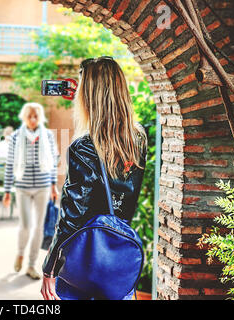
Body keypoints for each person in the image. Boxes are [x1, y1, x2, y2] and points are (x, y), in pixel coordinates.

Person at [40, 56, 148, 300]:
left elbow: (72, 215)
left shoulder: (84, 147)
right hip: (118, 256)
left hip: (85, 258)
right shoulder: (138, 137)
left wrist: (50, 267)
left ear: (89, 96)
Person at [3, 102, 59, 280]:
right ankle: (20, 253)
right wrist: (6, 190)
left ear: (40, 117)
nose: (33, 120)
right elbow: (10, 164)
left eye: (36, 116)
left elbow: (52, 163)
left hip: (42, 186)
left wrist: (53, 185)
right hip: (23, 187)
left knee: (39, 227)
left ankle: (32, 264)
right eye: (30, 116)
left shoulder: (47, 135)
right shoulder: (15, 137)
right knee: (26, 225)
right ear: (24, 117)